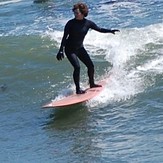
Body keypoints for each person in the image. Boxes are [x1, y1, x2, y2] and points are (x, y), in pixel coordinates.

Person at [56, 2, 119, 94]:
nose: (75, 15)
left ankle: (92, 84)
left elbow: (99, 29)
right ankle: (78, 89)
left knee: (90, 65)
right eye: (74, 13)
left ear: (83, 13)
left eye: (77, 13)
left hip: (80, 48)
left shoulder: (88, 23)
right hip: (70, 49)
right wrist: (61, 50)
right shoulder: (70, 23)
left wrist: (110, 31)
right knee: (77, 67)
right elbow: (65, 37)